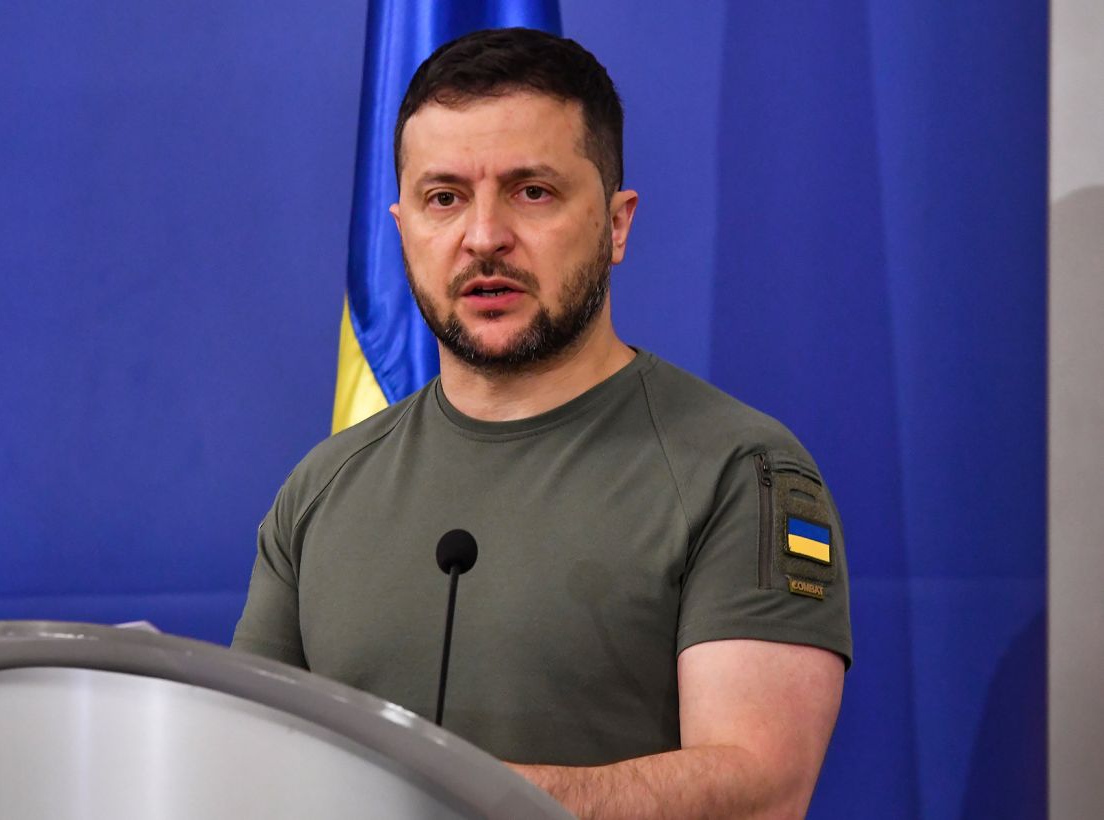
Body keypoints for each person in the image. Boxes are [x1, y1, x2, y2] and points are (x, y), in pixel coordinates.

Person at [233, 27, 850, 819]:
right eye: (444, 198)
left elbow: (761, 790)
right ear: (401, 227)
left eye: (532, 192)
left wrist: (462, 798)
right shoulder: (321, 489)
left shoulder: (740, 471)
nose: (483, 237)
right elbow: (242, 766)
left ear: (617, 224)